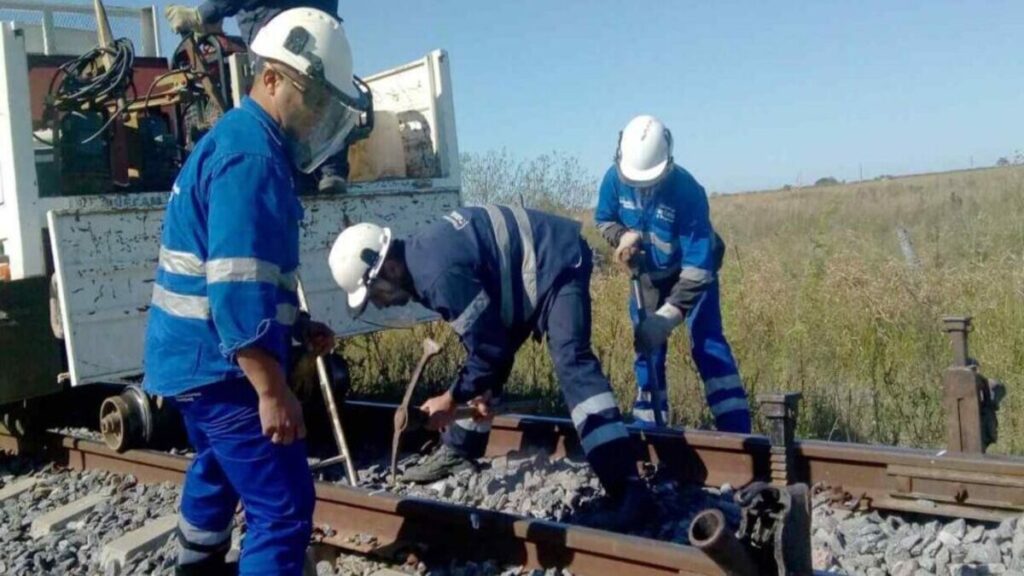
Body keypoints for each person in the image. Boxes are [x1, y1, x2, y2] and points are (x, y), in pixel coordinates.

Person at [142, 8, 368, 574]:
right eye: (311, 97)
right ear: (270, 79)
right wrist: (272, 389)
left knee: (218, 468)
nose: (316, 114)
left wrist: (293, 329)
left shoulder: (241, 141)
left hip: (193, 361)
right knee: (284, 509)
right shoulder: (253, 156)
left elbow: (249, 278)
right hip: (223, 369)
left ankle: (196, 565)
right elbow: (237, 289)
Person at [328, 206, 654, 528]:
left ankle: (627, 488)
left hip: (558, 261)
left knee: (572, 361)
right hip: (521, 278)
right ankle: (460, 448)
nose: (379, 303)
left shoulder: (437, 276)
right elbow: (482, 339)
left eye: (374, 293)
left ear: (390, 269)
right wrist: (477, 388)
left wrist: (450, 400)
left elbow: (490, 349)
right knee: (481, 364)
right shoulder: (421, 260)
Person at [594, 115, 752, 433]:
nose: (643, 186)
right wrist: (622, 237)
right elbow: (604, 219)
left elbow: (698, 270)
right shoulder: (614, 178)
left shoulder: (688, 192)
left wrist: (666, 319)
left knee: (707, 343)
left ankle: (736, 431)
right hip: (649, 276)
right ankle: (650, 427)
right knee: (646, 347)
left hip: (692, 275)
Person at [164, 0, 354, 194]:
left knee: (283, 99)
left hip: (277, 24)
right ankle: (330, 170)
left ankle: (293, 173)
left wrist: (204, 14)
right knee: (323, 92)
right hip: (323, 25)